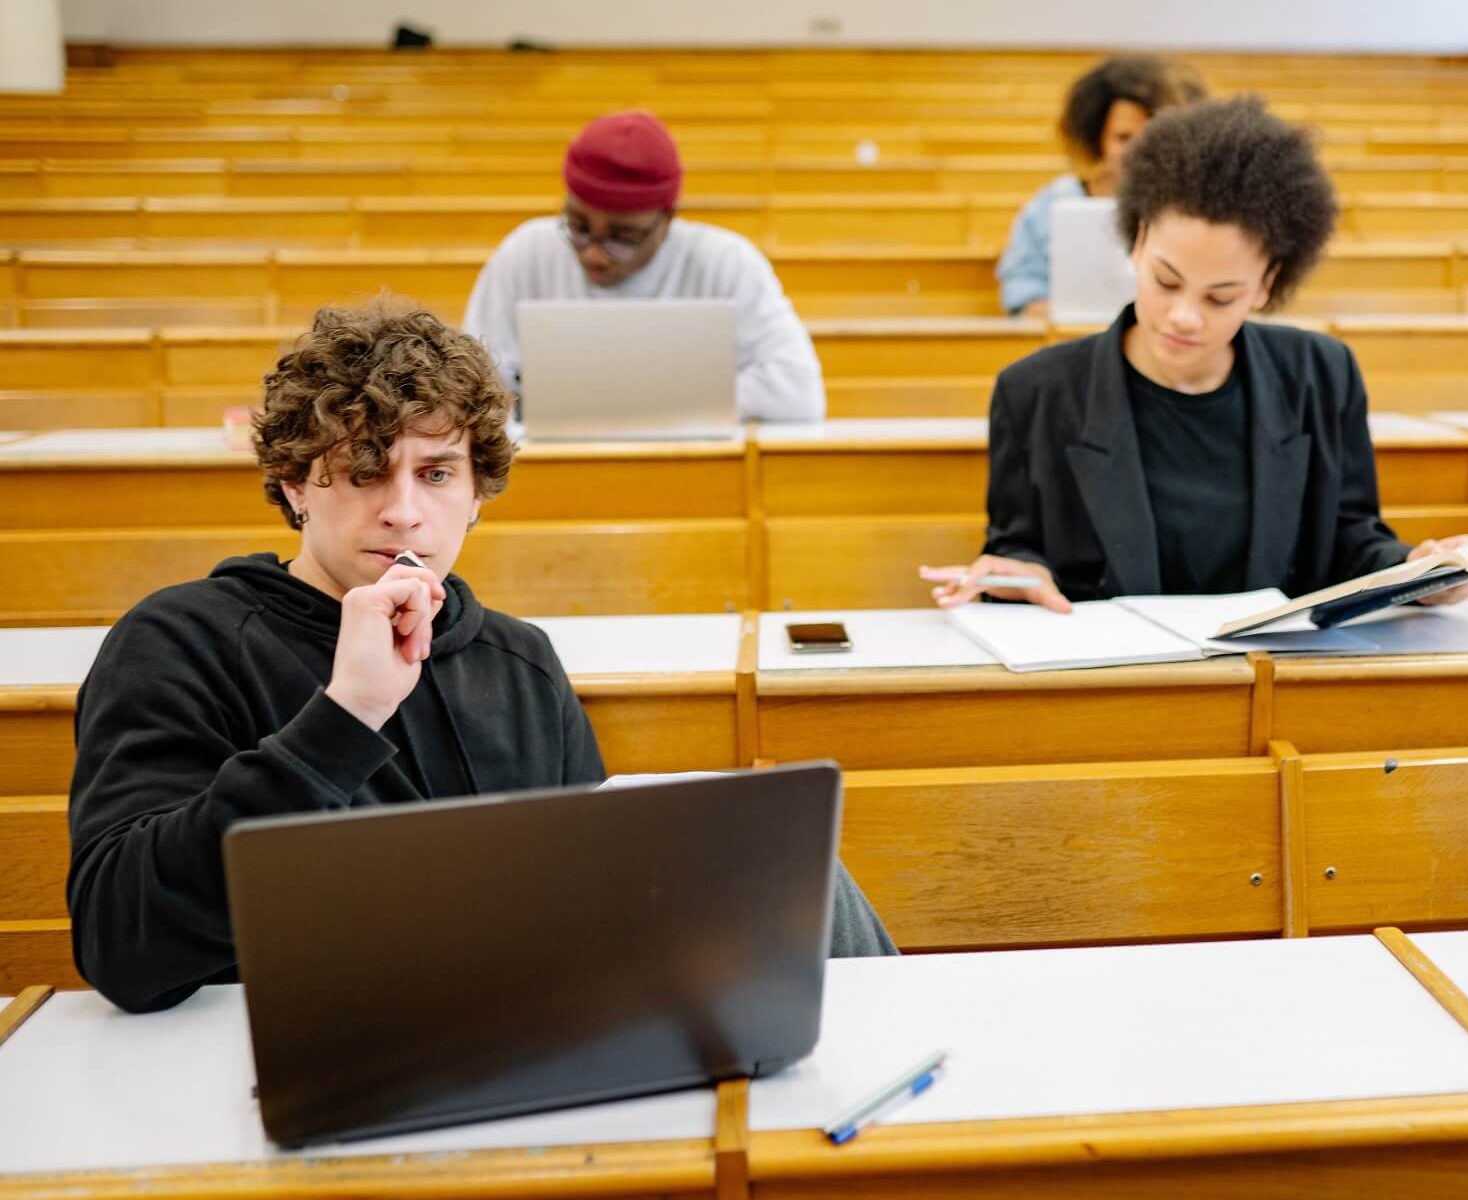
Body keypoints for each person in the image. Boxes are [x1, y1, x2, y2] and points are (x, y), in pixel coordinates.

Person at [67, 301, 893, 1015]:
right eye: (362, 471)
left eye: (436, 473)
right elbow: (123, 947)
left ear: (477, 493)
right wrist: (343, 718)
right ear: (293, 483)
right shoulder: (179, 642)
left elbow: (579, 915)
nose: (404, 512)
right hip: (286, 1057)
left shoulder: (521, 663)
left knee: (797, 870)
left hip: (510, 1042)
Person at [930, 98, 1468, 612]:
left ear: (1267, 282)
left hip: (1275, 682)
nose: (1184, 317)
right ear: (1138, 240)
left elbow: (1350, 538)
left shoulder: (1321, 375)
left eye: (1221, 297)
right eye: (1166, 282)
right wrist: (1019, 577)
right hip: (1107, 690)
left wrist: (1419, 572)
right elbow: (1020, 550)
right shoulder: (1036, 392)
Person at [463, 109, 826, 423]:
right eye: (579, 227)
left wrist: (630, 404)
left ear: (667, 219)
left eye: (622, 238)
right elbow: (473, 390)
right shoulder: (526, 252)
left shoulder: (726, 262)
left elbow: (798, 390)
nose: (595, 254)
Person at [994, 55, 1206, 318]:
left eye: (1151, 137)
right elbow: (1022, 288)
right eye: (1123, 137)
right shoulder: (1051, 204)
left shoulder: (1194, 206)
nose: (1138, 151)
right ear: (1098, 138)